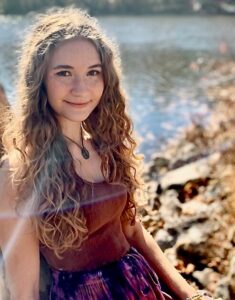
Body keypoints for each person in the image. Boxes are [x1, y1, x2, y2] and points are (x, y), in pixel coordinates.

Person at [0, 7, 217, 300]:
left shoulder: (107, 145)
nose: (81, 88)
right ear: (40, 80)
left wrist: (189, 294)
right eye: (64, 72)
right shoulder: (18, 173)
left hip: (141, 288)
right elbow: (24, 291)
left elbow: (132, 232)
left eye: (93, 73)